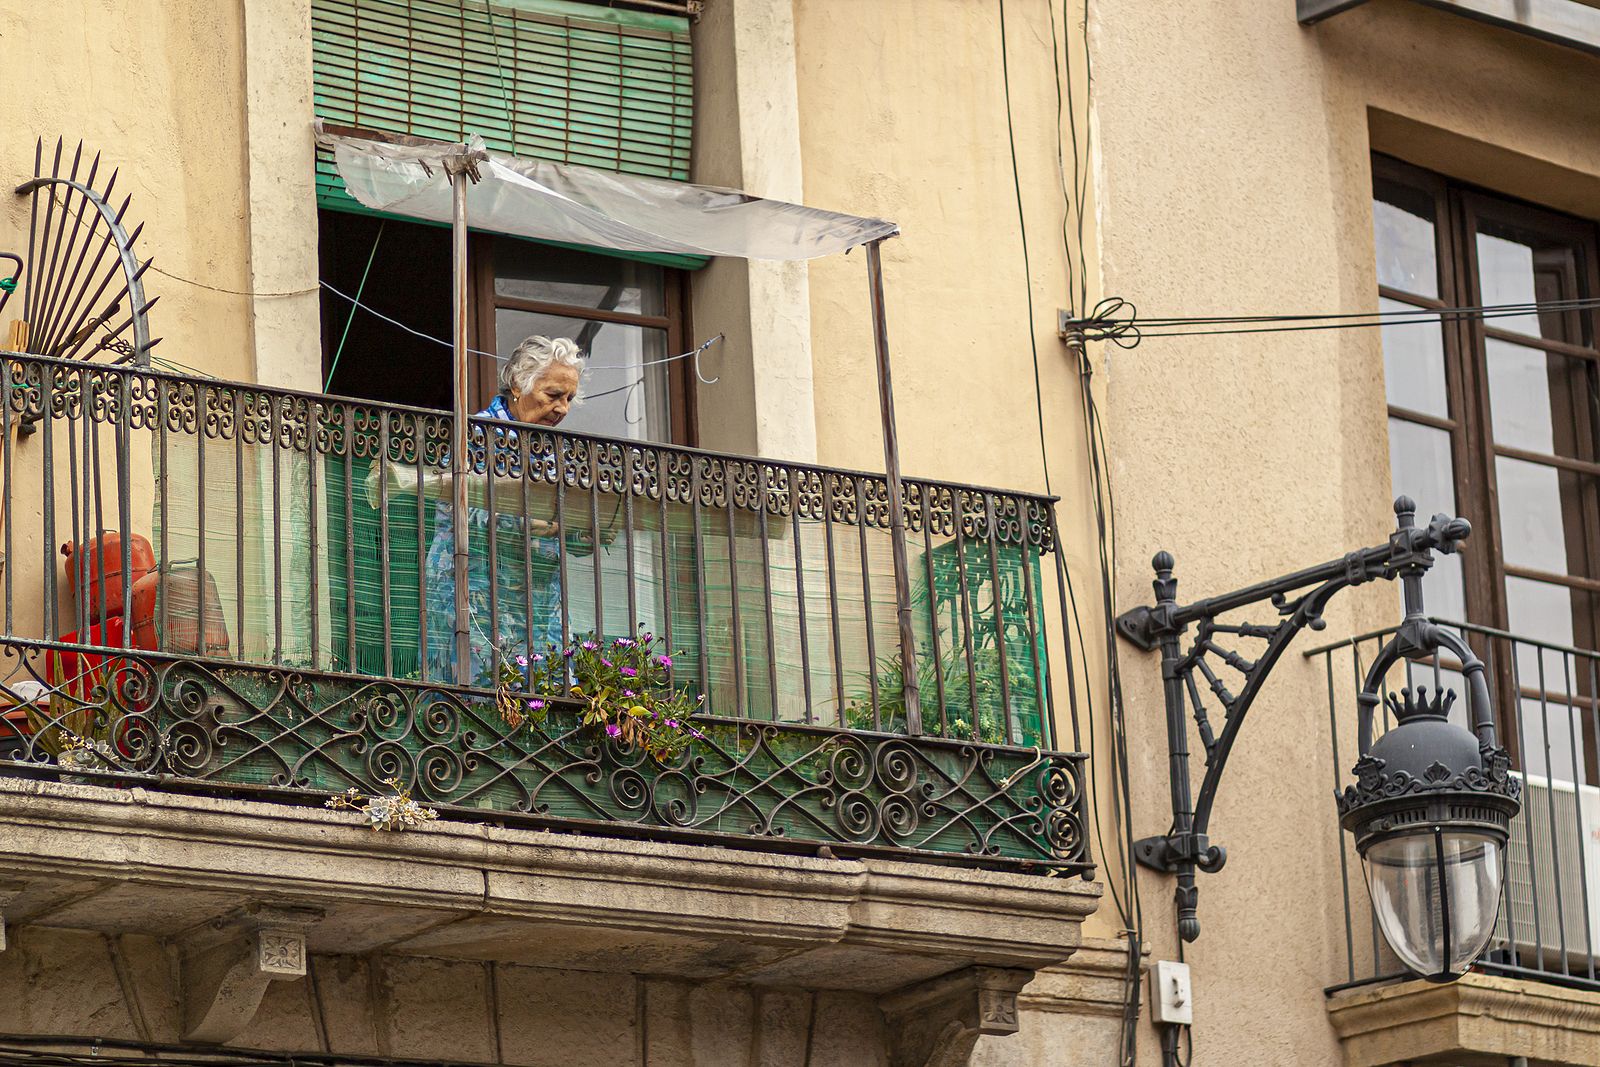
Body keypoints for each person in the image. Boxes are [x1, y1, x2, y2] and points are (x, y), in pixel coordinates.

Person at [423, 335, 582, 686]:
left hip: (539, 603)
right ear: (517, 384)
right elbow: (461, 504)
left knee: (549, 701)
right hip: (475, 595)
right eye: (553, 395)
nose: (563, 409)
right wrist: (533, 520)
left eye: (569, 398)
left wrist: (590, 527)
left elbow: (575, 531)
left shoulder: (558, 452)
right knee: (477, 702)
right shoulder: (477, 436)